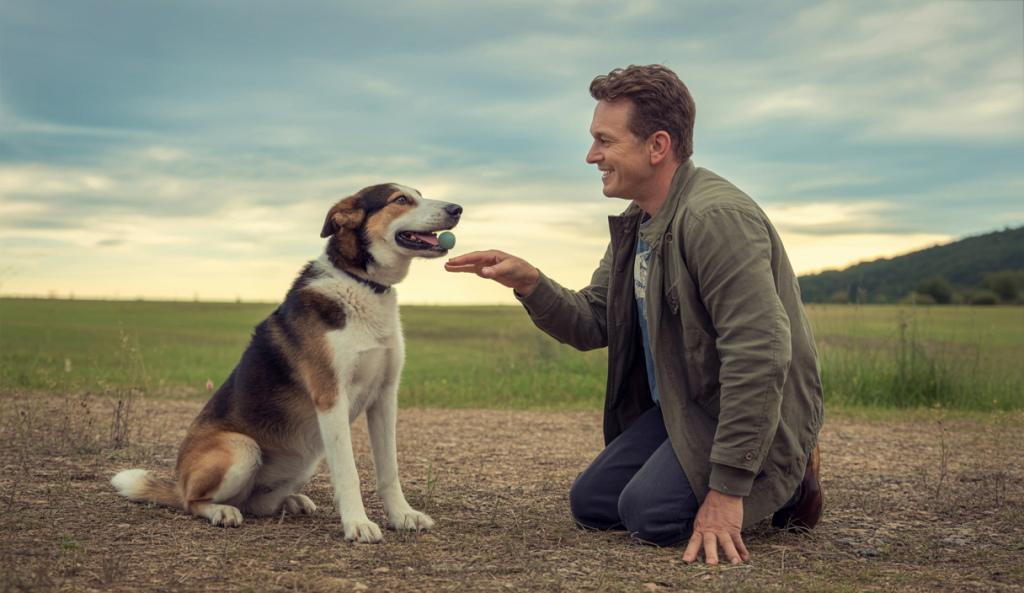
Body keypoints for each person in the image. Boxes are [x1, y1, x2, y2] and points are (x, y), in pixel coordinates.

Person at [444, 64, 824, 565]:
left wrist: (728, 491)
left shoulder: (715, 218)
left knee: (651, 517)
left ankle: (790, 477)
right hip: (685, 408)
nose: (591, 155)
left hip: (747, 413)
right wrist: (530, 282)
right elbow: (594, 321)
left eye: (605, 141)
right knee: (593, 504)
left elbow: (760, 354)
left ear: (657, 146)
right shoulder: (640, 222)